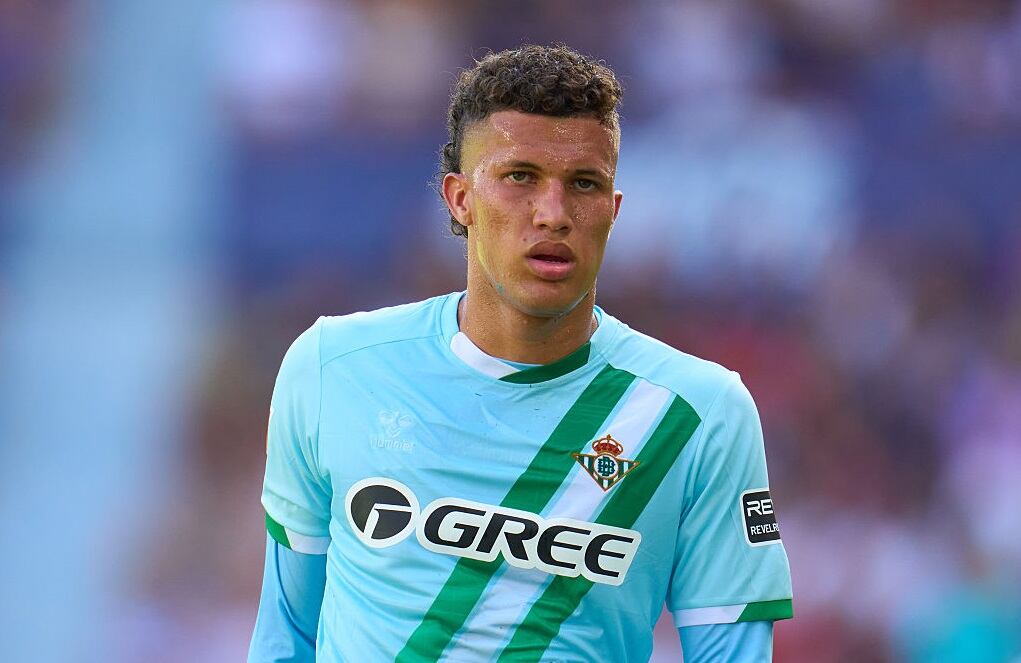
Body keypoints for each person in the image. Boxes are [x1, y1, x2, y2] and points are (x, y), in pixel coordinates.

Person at [248, 44, 793, 662]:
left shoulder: (701, 412)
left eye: (583, 184)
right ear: (460, 199)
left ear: (612, 212)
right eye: (520, 178)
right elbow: (284, 636)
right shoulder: (330, 367)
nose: (553, 214)